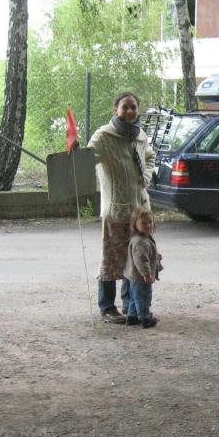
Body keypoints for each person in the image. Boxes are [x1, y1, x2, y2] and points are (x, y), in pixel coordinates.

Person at [86, 92, 155, 323]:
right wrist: (75, 150)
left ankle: (131, 305)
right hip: (117, 210)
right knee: (112, 259)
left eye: (133, 107)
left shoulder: (140, 135)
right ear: (115, 109)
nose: (130, 111)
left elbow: (150, 157)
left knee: (135, 258)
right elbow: (86, 158)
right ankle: (107, 307)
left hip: (139, 212)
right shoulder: (104, 136)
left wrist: (146, 176)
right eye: (125, 107)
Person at [123, 206, 162, 329]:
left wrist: (155, 255)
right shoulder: (140, 241)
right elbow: (141, 260)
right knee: (143, 297)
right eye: (144, 223)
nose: (148, 225)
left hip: (133, 276)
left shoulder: (143, 238)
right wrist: (146, 274)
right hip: (140, 276)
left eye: (150, 222)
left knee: (134, 297)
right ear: (135, 224)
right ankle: (145, 318)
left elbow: (146, 253)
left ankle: (132, 316)